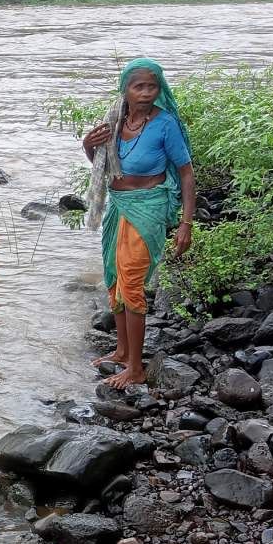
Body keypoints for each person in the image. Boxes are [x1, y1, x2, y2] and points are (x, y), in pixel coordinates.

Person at [81, 58, 197, 389]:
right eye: (139, 86)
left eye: (152, 86)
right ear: (125, 90)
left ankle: (136, 368)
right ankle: (120, 351)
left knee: (131, 282)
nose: (146, 93)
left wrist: (186, 223)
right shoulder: (115, 121)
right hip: (118, 206)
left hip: (149, 207)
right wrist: (88, 147)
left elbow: (186, 173)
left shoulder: (165, 125)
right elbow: (105, 166)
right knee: (114, 277)